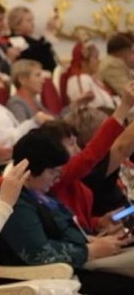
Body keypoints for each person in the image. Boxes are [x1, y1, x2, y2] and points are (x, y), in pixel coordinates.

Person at [0, 128, 134, 295]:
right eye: (53, 171)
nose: (58, 177)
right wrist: (90, 250)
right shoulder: (17, 203)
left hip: (73, 266)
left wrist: (95, 238)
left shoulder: (42, 195)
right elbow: (39, 255)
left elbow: (68, 231)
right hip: (51, 277)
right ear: (31, 171)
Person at [39, 87, 134, 232]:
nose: (115, 133)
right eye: (71, 144)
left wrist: (98, 222)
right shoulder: (77, 171)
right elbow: (120, 146)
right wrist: (124, 106)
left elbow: (84, 222)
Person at [65, 41, 119, 112]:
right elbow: (85, 111)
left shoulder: (90, 78)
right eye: (95, 58)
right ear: (83, 62)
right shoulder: (79, 80)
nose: (99, 61)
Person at [7, 6, 58, 73]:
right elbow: (32, 55)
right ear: (16, 24)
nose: (33, 23)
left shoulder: (32, 40)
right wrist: (47, 34)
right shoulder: (14, 40)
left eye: (32, 20)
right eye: (29, 21)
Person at [98, 33, 134, 98]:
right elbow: (130, 94)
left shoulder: (112, 62)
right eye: (132, 52)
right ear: (126, 53)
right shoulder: (113, 65)